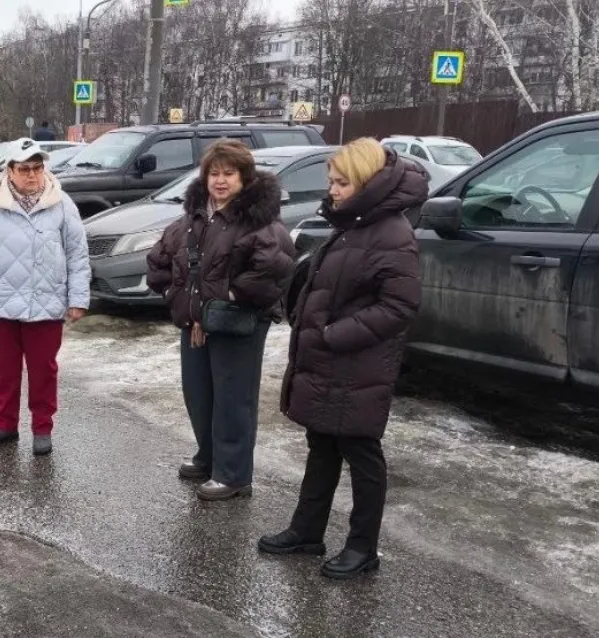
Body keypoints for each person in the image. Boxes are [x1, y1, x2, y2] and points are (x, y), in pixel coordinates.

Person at [259, 138, 428, 579]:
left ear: (367, 182)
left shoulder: (391, 233)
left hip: (358, 365)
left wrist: (334, 334)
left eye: (340, 182)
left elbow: (399, 306)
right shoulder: (355, 224)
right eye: (330, 182)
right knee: (322, 445)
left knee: (361, 454)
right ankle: (307, 531)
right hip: (330, 362)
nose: (331, 190)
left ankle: (362, 548)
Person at [146, 140, 295, 501]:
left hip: (237, 323)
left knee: (232, 397)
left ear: (244, 177)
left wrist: (227, 297)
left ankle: (233, 473)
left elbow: (276, 268)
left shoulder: (258, 221)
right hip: (195, 323)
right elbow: (158, 262)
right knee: (199, 393)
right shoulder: (191, 219)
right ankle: (210, 455)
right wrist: (175, 297)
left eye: (229, 173)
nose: (221, 180)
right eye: (215, 173)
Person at [0, 140, 90, 456]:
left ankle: (42, 428)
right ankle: (5, 425)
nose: (32, 175)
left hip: (45, 304)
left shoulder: (61, 203)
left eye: (37, 168)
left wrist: (78, 298)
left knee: (44, 370)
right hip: (1, 302)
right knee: (6, 369)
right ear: (10, 171)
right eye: (24, 169)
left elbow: (77, 254)